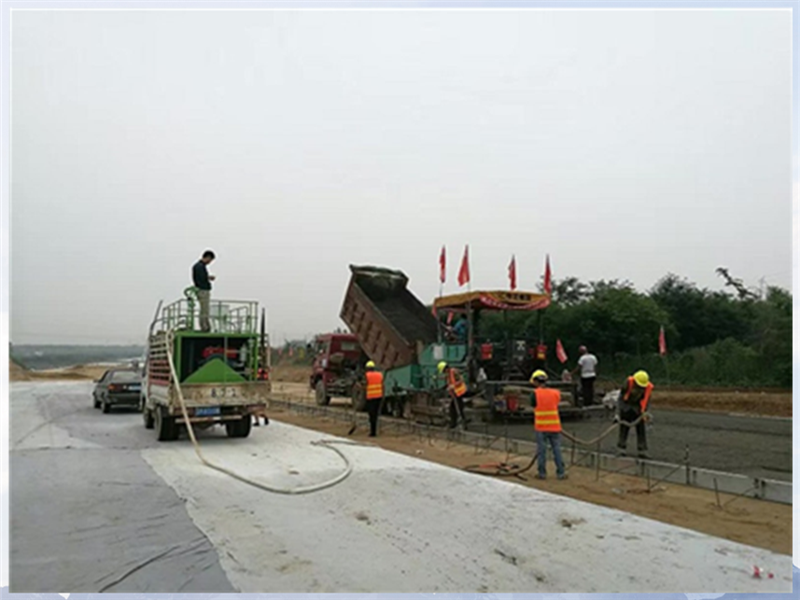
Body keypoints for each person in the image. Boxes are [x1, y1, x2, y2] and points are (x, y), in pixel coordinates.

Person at [530, 369, 566, 480]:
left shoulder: (534, 394)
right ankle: (561, 472)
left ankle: (542, 473)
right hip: (555, 426)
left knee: (542, 450)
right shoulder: (556, 393)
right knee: (557, 449)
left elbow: (533, 404)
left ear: (536, 382)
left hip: (541, 427)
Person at [616, 370, 654, 459]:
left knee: (641, 429)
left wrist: (645, 412)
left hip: (638, 408)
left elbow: (646, 400)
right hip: (626, 406)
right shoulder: (627, 383)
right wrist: (618, 413)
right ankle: (621, 448)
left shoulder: (647, 387)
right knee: (624, 428)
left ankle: (642, 450)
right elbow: (620, 398)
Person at [438, 361, 467, 429]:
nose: (443, 373)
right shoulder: (448, 374)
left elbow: (461, 380)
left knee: (457, 408)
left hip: (460, 392)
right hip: (455, 393)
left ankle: (458, 424)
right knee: (455, 409)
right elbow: (449, 383)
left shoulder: (453, 372)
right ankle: (455, 424)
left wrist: (453, 386)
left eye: (443, 371)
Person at [192, 250, 216, 332]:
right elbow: (201, 279)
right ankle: (205, 327)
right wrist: (207, 279)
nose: (210, 262)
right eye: (210, 260)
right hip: (203, 290)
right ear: (207, 257)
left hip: (201, 289)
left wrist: (208, 277)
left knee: (204, 309)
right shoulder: (200, 266)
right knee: (204, 310)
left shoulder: (198, 266)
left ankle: (205, 325)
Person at [364, 361, 384, 437]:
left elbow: (364, 385)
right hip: (378, 397)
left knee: (371, 415)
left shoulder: (367, 375)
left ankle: (373, 432)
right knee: (375, 415)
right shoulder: (379, 375)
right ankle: (374, 431)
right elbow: (382, 385)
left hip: (371, 397)